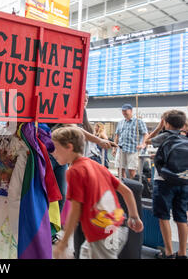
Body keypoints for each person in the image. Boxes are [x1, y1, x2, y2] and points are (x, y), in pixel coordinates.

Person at [51, 127, 143, 259]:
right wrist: (134, 217)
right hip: (118, 227)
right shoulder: (96, 165)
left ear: (69, 147)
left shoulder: (75, 171)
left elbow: (76, 210)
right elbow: (127, 191)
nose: (53, 153)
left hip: (103, 233)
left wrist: (63, 242)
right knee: (85, 253)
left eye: (55, 148)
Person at [146, 110, 187, 259]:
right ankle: (182, 253)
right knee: (181, 217)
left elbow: (147, 140)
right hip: (183, 181)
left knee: (163, 216)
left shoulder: (165, 136)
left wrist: (159, 127)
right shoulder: (185, 137)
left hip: (164, 181)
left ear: (166, 123)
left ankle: (169, 253)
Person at [113, 104, 149, 179]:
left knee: (132, 171)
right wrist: (114, 148)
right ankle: (123, 186)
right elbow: (117, 135)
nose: (124, 112)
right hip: (121, 149)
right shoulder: (120, 122)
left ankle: (132, 187)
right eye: (123, 111)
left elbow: (146, 134)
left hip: (133, 149)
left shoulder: (138, 121)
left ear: (131, 111)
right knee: (119, 169)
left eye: (125, 111)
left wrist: (143, 144)